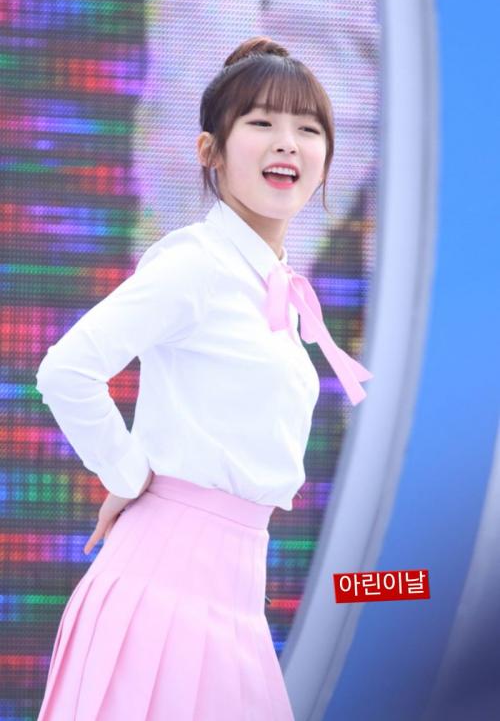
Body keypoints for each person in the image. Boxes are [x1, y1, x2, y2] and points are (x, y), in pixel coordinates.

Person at [35, 35, 373, 721]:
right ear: (209, 152)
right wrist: (130, 474)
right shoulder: (198, 264)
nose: (287, 143)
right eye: (261, 123)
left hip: (229, 597)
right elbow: (66, 369)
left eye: (308, 129)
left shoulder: (268, 284)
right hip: (164, 597)